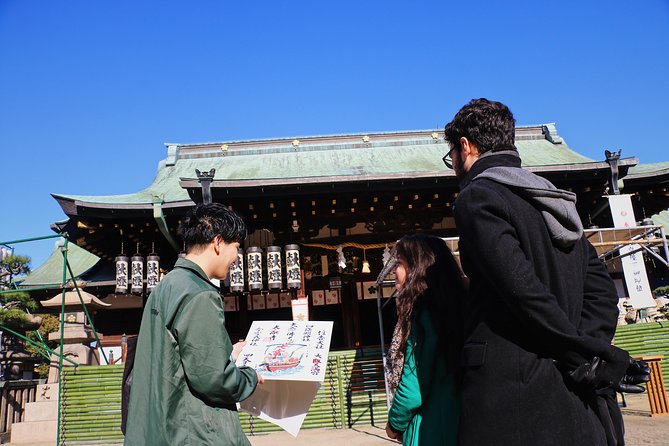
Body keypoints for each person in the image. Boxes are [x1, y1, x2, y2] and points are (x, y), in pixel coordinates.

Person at [443, 98, 649, 446]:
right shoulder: (554, 199)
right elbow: (600, 291)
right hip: (573, 394)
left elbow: (520, 290)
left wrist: (579, 353)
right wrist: (587, 351)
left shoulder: (478, 197)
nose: (454, 166)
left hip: (510, 393)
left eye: (452, 157)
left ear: (466, 146)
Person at [124, 203, 263, 446]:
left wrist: (228, 352)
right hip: (192, 432)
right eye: (236, 247)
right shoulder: (199, 293)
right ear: (218, 242)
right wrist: (250, 377)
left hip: (161, 427)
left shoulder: (168, 285)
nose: (236, 258)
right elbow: (213, 379)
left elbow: (180, 356)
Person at [385, 234, 465, 445]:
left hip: (428, 428)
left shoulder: (423, 315)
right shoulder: (460, 309)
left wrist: (393, 425)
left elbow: (413, 386)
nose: (394, 271)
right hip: (459, 420)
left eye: (399, 264)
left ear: (417, 268)